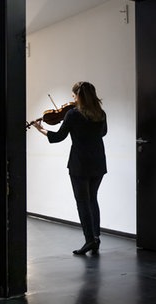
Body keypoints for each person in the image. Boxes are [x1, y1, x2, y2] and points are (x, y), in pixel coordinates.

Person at [32, 81, 108, 255]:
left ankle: (89, 240)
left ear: (78, 96)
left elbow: (58, 137)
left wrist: (40, 129)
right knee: (92, 200)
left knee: (82, 202)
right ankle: (95, 238)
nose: (72, 99)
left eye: (73, 96)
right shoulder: (101, 113)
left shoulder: (73, 114)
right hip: (98, 162)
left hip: (80, 163)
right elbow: (103, 133)